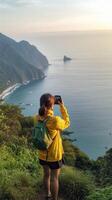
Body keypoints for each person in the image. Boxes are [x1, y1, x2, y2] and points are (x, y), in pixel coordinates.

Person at [33, 93, 70, 200]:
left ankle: (47, 195)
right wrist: (62, 106)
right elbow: (67, 122)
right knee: (54, 178)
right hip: (54, 156)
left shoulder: (35, 118)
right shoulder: (55, 120)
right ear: (52, 105)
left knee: (46, 175)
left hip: (42, 154)